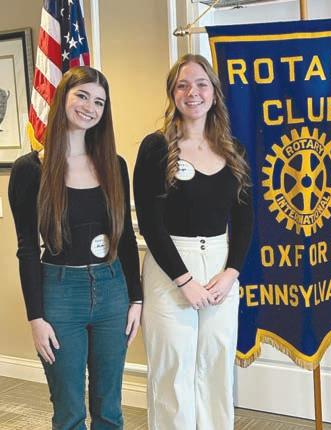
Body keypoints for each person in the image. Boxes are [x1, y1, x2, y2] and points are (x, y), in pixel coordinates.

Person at [9, 66, 143, 429]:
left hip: (112, 291)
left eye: (99, 102)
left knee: (110, 409)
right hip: (59, 295)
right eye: (82, 96)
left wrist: (136, 298)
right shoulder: (30, 170)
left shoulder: (114, 165)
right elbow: (26, 249)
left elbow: (125, 238)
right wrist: (36, 318)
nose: (90, 107)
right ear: (62, 99)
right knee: (68, 411)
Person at [134, 53, 253, 430]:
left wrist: (231, 273)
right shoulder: (156, 148)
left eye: (201, 84)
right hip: (170, 267)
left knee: (216, 368)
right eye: (182, 85)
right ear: (172, 94)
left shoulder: (234, 150)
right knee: (173, 372)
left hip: (220, 267)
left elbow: (245, 219)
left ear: (214, 93)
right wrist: (184, 281)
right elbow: (150, 224)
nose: (193, 93)